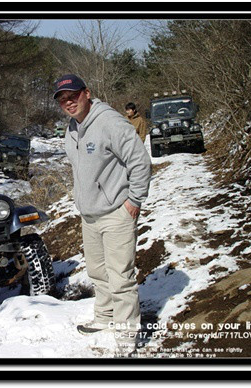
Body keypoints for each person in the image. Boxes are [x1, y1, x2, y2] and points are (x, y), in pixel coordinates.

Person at [53, 74, 152, 356]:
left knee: (121, 277)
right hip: (90, 215)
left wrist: (134, 200)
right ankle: (105, 317)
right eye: (62, 99)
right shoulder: (72, 128)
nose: (68, 102)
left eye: (73, 95)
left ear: (87, 93)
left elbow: (140, 161)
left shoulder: (110, 122)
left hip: (116, 212)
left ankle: (125, 338)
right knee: (97, 272)